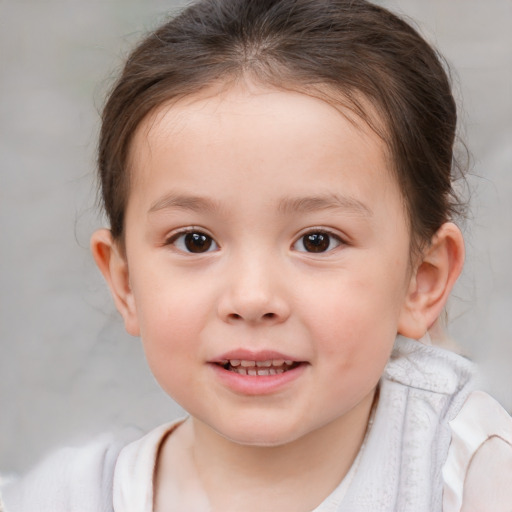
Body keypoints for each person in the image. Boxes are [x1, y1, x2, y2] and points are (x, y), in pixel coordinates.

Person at [1, 0, 511, 510]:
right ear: (126, 282)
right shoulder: (66, 498)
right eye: (195, 240)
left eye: (317, 240)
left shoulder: (469, 476)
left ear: (421, 279)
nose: (251, 298)